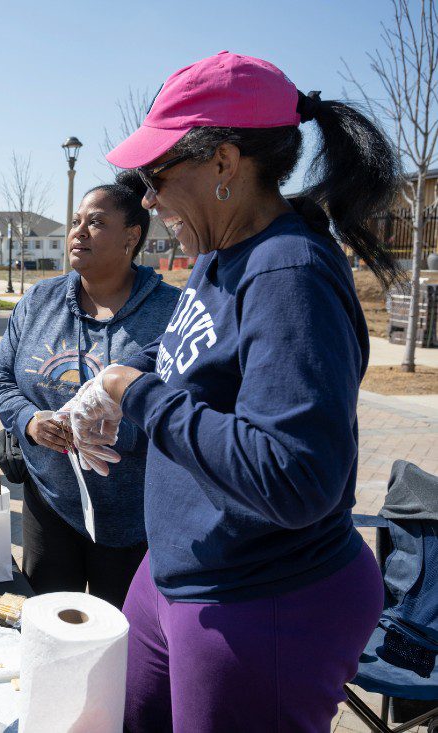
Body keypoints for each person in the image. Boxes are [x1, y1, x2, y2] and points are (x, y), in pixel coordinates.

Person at [68, 52, 398, 731]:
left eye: (156, 176)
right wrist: (118, 405)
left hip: (263, 598)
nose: (148, 198)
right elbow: (201, 376)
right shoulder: (221, 255)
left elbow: (296, 473)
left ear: (223, 163)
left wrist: (141, 395)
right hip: (180, 573)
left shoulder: (289, 271)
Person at [0, 171, 179, 606]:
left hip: (134, 519)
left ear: (132, 236)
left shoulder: (170, 314)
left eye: (95, 222)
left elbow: (182, 408)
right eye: (76, 221)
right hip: (50, 505)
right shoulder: (40, 301)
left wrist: (111, 430)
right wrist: (30, 421)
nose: (78, 232)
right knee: (49, 626)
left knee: (121, 643)